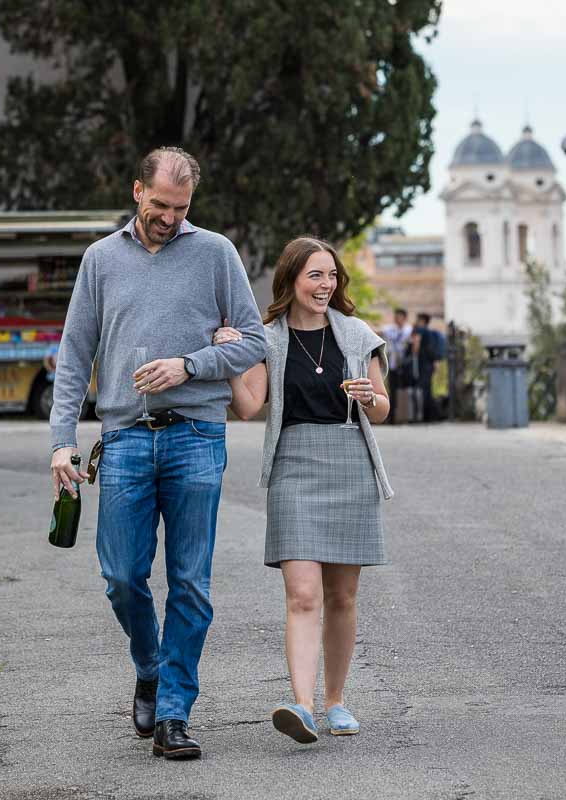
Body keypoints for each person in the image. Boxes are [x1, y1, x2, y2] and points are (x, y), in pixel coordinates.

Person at [48, 147, 266, 760]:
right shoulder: (100, 260)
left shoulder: (216, 253)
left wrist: (189, 365)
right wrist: (62, 441)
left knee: (190, 584)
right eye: (161, 205)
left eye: (182, 208)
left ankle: (174, 712)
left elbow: (252, 342)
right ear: (137, 191)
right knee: (121, 576)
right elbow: (73, 357)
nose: (170, 218)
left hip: (196, 435)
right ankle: (150, 666)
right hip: (121, 438)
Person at [211, 236, 393, 744]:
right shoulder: (266, 339)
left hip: (349, 463)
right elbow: (249, 407)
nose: (325, 285)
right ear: (291, 279)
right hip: (292, 465)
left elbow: (382, 408)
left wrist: (369, 396)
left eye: (331, 276)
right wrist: (228, 357)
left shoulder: (357, 335)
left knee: (342, 594)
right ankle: (303, 706)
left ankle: (336, 701)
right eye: (315, 275)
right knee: (303, 593)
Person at [380, 308, 412, 422]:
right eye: (396, 316)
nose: (396, 319)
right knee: (392, 390)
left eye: (399, 316)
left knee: (404, 390)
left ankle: (405, 415)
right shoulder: (390, 330)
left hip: (406, 365)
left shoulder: (409, 330)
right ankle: (392, 416)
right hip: (393, 364)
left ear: (404, 317)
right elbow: (379, 333)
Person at [413, 312, 444, 421]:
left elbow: (416, 345)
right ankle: (432, 415)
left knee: (424, 389)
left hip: (423, 363)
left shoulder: (420, 330)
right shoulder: (430, 332)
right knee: (428, 389)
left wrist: (413, 355)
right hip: (429, 363)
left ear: (422, 320)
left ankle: (428, 415)